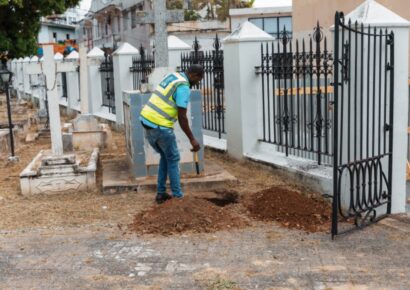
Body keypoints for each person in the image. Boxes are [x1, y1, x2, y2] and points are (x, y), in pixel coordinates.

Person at [139, 64, 204, 204]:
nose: (197, 83)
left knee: (165, 156)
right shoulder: (183, 87)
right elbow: (182, 117)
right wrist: (192, 139)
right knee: (173, 159)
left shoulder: (173, 76)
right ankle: (178, 197)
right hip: (160, 126)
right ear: (193, 75)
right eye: (198, 80)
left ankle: (161, 193)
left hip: (146, 120)